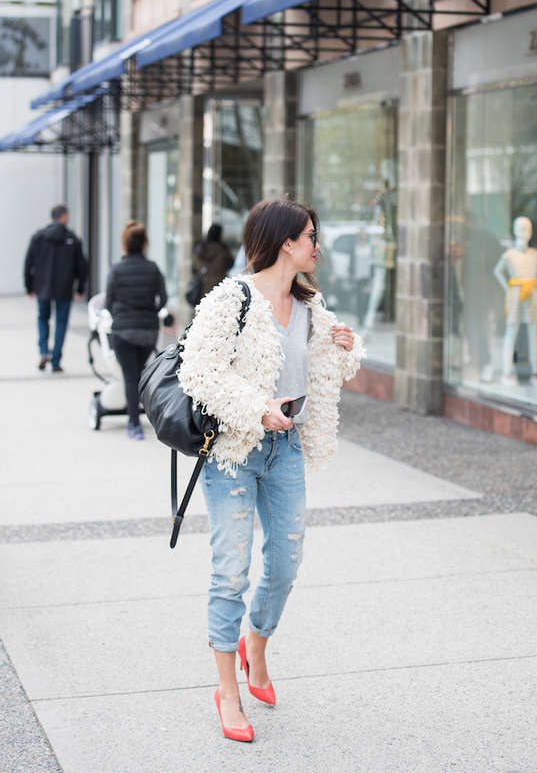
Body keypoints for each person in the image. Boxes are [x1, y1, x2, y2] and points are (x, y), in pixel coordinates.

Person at [178, 197, 363, 743]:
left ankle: (254, 643)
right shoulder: (231, 298)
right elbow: (199, 370)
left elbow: (330, 365)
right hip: (235, 451)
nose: (316, 244)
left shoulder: (309, 304)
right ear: (285, 241)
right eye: (310, 234)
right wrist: (256, 408)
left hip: (287, 451)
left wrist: (346, 346)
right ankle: (227, 693)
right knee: (230, 572)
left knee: (285, 563)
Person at [105, 221, 167, 440]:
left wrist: (120, 314)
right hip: (147, 331)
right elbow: (163, 299)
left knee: (130, 377)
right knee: (139, 375)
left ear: (125, 244)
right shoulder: (153, 268)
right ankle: (149, 417)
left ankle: (134, 424)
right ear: (144, 244)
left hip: (123, 330)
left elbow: (108, 302)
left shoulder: (116, 270)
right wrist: (151, 312)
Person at [24, 203, 88, 372]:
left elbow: (28, 262)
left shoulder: (39, 237)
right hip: (64, 288)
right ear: (64, 216)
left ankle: (44, 351)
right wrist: (80, 288)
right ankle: (56, 359)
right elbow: (82, 266)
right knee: (61, 323)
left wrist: (29, 286)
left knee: (42, 318)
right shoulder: (72, 239)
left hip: (42, 287)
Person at [190, 223, 234, 303]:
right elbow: (231, 264)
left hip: (203, 288)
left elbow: (194, 269)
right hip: (219, 286)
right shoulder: (223, 250)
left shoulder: (201, 250)